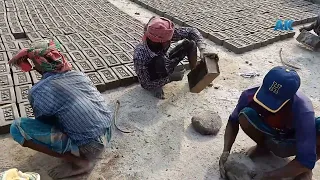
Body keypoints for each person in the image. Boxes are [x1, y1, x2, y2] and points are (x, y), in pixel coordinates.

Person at [8, 40, 112, 179]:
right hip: (108, 131)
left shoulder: (38, 91)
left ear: (37, 65)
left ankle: (80, 162)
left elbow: (45, 123)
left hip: (91, 147)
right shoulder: (78, 75)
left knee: (17, 127)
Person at [219, 66, 320, 180]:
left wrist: (268, 176)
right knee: (245, 114)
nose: (266, 105)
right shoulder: (250, 94)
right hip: (272, 130)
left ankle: (304, 169)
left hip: (293, 138)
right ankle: (263, 147)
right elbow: (233, 121)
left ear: (289, 99)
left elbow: (305, 158)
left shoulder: (304, 112)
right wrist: (225, 151)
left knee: (315, 138)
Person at [133, 16, 218, 99]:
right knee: (159, 63)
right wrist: (170, 78)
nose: (171, 40)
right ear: (161, 42)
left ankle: (195, 76)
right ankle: (157, 87)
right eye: (168, 40)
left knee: (191, 44)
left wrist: (203, 48)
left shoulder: (160, 34)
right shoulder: (140, 55)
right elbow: (145, 84)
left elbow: (192, 31)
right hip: (154, 69)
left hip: (164, 59)